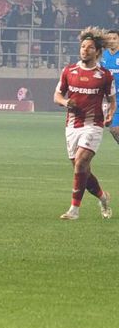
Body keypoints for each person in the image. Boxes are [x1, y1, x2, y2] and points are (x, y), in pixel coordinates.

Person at [54, 28, 113, 220]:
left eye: (90, 47)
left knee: (80, 162)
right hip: (72, 125)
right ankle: (103, 197)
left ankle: (74, 210)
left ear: (97, 52)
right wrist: (65, 102)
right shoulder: (69, 71)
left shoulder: (104, 75)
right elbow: (57, 96)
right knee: (82, 170)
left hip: (93, 125)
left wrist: (110, 114)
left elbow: (112, 100)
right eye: (83, 46)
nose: (85, 50)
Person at [99, 28, 119, 145]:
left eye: (114, 38)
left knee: (115, 128)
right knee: (113, 129)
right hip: (112, 99)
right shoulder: (103, 56)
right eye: (109, 39)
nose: (111, 41)